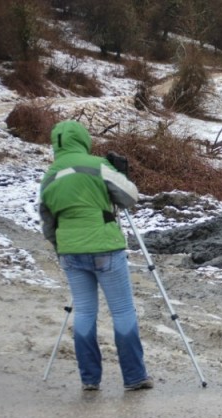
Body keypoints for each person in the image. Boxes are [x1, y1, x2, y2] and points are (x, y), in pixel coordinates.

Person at [39, 120, 153, 391]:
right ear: (83, 139)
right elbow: (130, 197)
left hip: (70, 252)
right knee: (123, 310)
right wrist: (117, 172)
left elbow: (47, 220)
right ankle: (135, 377)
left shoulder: (49, 176)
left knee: (85, 311)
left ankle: (90, 378)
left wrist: (61, 246)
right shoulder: (97, 165)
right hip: (105, 248)